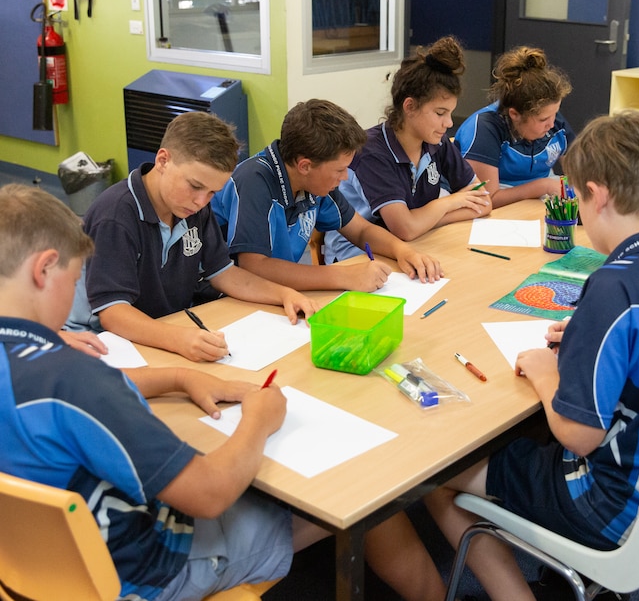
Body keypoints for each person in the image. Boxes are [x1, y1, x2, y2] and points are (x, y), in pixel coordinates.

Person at [0, 184, 448, 601]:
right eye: (75, 276)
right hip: (146, 571)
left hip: (32, 566)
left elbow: (67, 398)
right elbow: (209, 493)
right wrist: (259, 419)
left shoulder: (43, 369)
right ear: (43, 270)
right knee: (359, 492)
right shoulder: (75, 377)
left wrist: (176, 377)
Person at [424, 111, 639, 600]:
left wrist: (547, 372)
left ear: (599, 195)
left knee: (439, 481)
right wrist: (593, 338)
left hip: (614, 500)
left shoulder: (616, 285)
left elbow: (579, 435)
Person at [66, 111, 319, 363]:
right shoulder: (116, 215)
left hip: (160, 327)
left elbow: (224, 274)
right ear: (163, 161)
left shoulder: (191, 208)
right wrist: (178, 338)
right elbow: (113, 312)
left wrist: (284, 294)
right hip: (102, 341)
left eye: (212, 192)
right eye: (195, 186)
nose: (201, 201)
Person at [210, 99, 443, 292]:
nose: (344, 178)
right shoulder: (254, 180)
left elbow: (360, 230)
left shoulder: (317, 183)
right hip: (227, 298)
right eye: (339, 170)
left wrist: (403, 251)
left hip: (280, 292)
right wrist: (342, 276)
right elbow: (254, 267)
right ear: (305, 166)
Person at [324, 36, 492, 262]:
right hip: (360, 257)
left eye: (451, 113)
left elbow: (483, 202)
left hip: (417, 243)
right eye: (440, 113)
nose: (449, 123)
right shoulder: (372, 151)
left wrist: (425, 220)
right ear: (410, 107)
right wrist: (449, 202)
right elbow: (404, 228)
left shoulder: (436, 141)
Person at [454, 46, 575, 208]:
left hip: (542, 198)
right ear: (515, 114)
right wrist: (542, 186)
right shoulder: (484, 128)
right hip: (500, 203)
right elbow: (487, 199)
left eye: (555, 113)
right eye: (543, 119)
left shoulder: (552, 120)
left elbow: (578, 172)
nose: (552, 124)